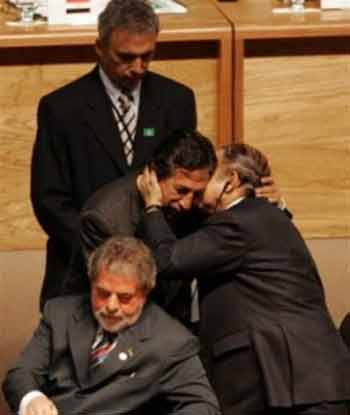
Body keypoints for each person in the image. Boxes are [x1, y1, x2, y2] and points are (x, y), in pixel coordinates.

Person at [137, 143, 350, 415]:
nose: (200, 184)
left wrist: (153, 207)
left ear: (231, 181)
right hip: (305, 380)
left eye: (211, 173)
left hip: (293, 384)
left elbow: (169, 260)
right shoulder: (264, 215)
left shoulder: (238, 222)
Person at [31, 0, 197, 310]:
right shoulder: (61, 109)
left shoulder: (178, 101)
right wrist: (108, 256)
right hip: (83, 266)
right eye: (126, 57)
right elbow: (49, 200)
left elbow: (185, 182)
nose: (138, 67)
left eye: (147, 56)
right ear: (99, 47)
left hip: (157, 270)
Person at [2, 236, 220, 415]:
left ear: (145, 293)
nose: (111, 306)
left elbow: (204, 406)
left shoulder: (171, 340)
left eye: (125, 297)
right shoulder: (60, 313)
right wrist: (31, 398)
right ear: (91, 283)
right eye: (103, 293)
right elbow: (20, 374)